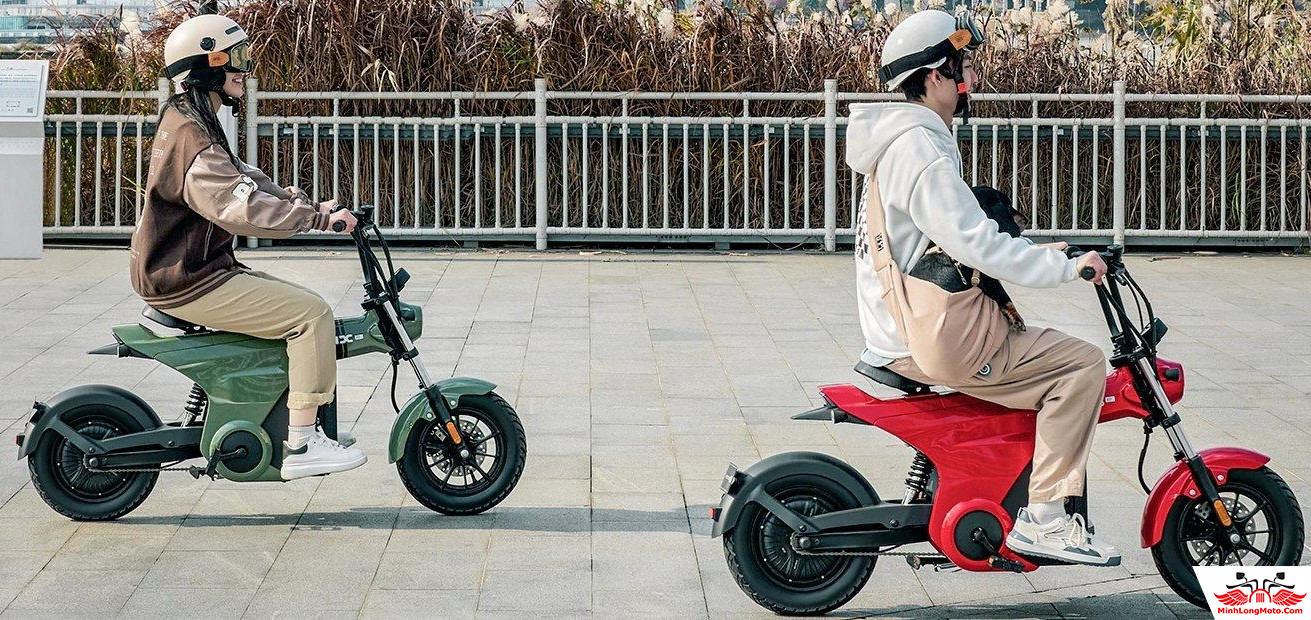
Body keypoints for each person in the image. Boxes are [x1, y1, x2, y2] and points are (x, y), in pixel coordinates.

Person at [848, 9, 1119, 565]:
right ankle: (1046, 519)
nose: (969, 78)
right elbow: (978, 245)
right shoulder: (921, 150)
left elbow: (953, 240)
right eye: (962, 67)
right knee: (1081, 366)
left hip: (906, 324)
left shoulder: (902, 143)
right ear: (934, 76)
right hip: (932, 335)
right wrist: (1068, 270)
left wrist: (1050, 253)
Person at [130, 14, 366, 480]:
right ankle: (303, 444)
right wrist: (317, 220)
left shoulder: (189, 120)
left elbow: (244, 179)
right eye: (234, 59)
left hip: (188, 269)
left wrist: (304, 204)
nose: (244, 69)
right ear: (207, 66)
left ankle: (277, 421)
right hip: (187, 279)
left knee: (300, 307)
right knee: (310, 315)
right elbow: (239, 207)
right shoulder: (194, 135)